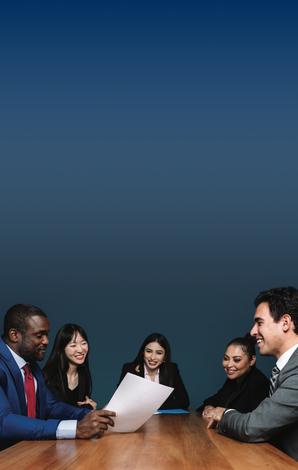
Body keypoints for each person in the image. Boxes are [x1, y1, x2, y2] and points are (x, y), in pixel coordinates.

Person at [0, 303, 116, 451]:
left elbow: (52, 406)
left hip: (31, 453)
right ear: (14, 335)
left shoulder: (31, 366)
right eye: (39, 335)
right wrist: (75, 429)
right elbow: (2, 421)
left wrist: (94, 415)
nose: (47, 341)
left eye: (47, 334)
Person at [206, 286, 298, 462]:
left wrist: (224, 414)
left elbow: (252, 426)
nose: (253, 331)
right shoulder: (285, 368)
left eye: (259, 322)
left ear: (285, 323)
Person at [197, 333, 269, 418]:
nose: (229, 365)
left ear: (252, 360)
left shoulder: (259, 383)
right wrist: (208, 407)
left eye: (237, 360)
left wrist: (225, 413)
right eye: (226, 358)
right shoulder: (233, 379)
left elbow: (258, 421)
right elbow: (213, 400)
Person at [118, 332, 189, 409]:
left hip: (164, 419)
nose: (153, 357)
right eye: (149, 351)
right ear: (143, 352)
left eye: (159, 353)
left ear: (165, 356)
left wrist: (152, 406)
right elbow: (121, 400)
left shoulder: (172, 369)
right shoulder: (129, 369)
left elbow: (184, 401)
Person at [43, 324, 96, 410]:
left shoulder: (83, 373)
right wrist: (88, 407)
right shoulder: (50, 375)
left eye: (83, 343)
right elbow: (55, 411)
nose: (80, 350)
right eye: (73, 345)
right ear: (62, 349)